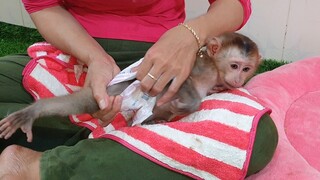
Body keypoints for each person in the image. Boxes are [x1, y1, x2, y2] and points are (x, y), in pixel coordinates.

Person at [0, 0, 278, 179]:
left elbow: (235, 4)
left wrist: (189, 35)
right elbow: (43, 4)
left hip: (166, 61)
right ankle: (121, 151)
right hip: (74, 57)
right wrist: (94, 57)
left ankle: (38, 167)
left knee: (257, 135)